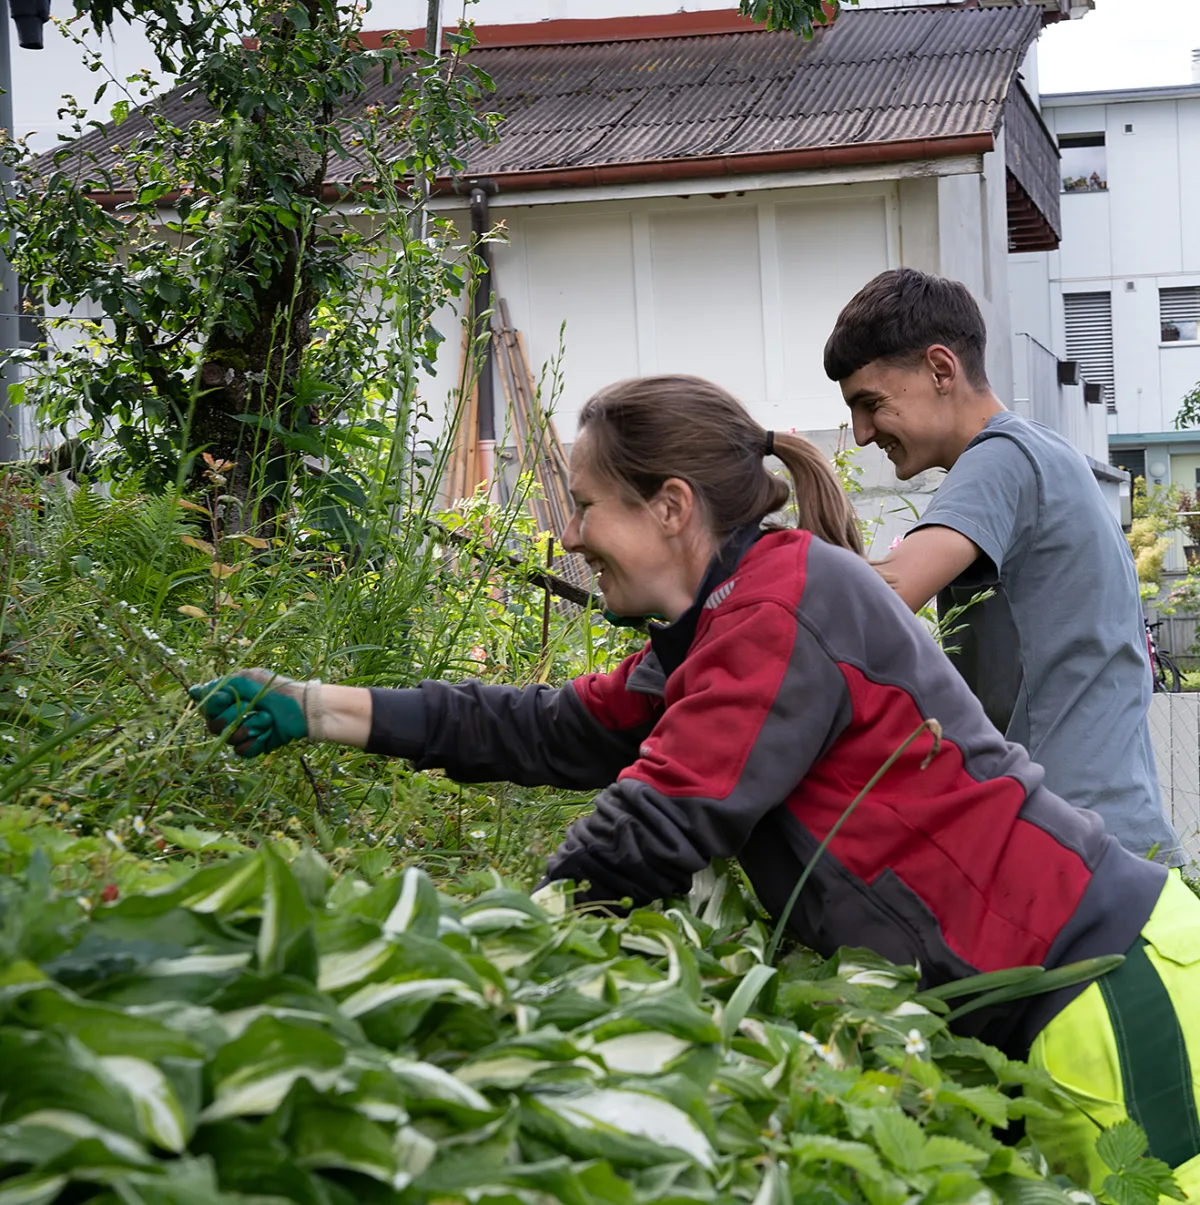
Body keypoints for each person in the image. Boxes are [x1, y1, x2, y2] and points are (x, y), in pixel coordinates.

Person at [190, 374, 1200, 1196]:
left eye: (585, 505)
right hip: (1041, 1001)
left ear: (670, 505)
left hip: (1105, 987)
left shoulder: (783, 605)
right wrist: (320, 705)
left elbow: (663, 812)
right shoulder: (723, 624)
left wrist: (481, 960)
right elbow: (551, 725)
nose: (574, 535)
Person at [823, 268, 1181, 866]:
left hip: (1074, 848)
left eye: (871, 403)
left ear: (942, 369)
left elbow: (879, 599)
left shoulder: (1002, 460)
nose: (860, 435)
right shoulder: (1047, 450)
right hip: (1112, 831)